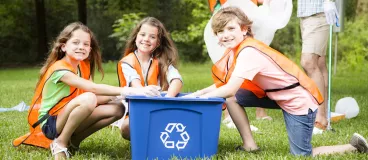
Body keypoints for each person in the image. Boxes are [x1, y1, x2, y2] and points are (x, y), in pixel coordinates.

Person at [187, 7, 368, 156]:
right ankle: (250, 145)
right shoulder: (237, 49)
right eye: (219, 31)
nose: (225, 35)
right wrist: (197, 93)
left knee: (302, 154)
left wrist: (197, 98)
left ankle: (354, 146)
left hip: (299, 103)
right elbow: (225, 84)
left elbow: (229, 88)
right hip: (276, 96)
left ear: (244, 29)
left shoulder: (249, 52)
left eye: (230, 29)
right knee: (232, 98)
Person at [13, 22, 161, 159]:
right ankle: (60, 143)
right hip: (50, 123)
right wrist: (130, 91)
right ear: (64, 46)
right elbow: (92, 90)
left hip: (67, 115)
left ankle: (74, 141)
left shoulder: (81, 65)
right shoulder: (59, 69)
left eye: (86, 44)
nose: (81, 47)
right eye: (75, 43)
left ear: (90, 49)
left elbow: (94, 96)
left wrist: (118, 97)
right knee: (89, 98)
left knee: (117, 109)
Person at [205, 0, 293, 126]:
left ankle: (260, 113)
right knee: (231, 64)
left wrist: (266, 6)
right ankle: (229, 114)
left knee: (252, 65)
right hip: (226, 12)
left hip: (249, 16)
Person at [116, 17, 183, 140]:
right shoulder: (127, 62)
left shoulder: (162, 60)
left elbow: (176, 80)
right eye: (142, 35)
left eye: (152, 37)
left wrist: (167, 100)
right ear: (136, 37)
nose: (146, 39)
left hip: (162, 107)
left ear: (158, 42)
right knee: (128, 127)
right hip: (135, 110)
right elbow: (136, 85)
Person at [297, 0, 339, 133]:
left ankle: (320, 118)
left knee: (308, 62)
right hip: (306, 14)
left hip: (319, 12)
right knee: (319, 64)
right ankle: (321, 114)